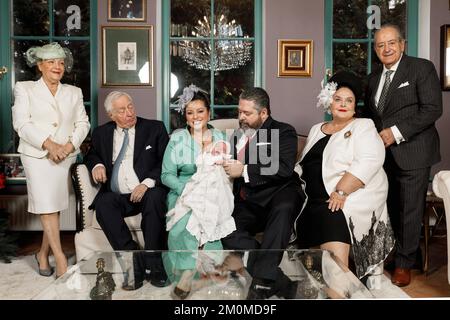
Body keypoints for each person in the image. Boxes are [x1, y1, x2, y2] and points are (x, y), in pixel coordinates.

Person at [296, 70, 395, 283]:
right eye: (338, 99)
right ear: (328, 102)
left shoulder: (363, 126)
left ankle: (339, 289)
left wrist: (341, 191)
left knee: (333, 267)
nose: (343, 104)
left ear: (354, 105)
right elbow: (303, 165)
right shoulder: (316, 129)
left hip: (339, 200)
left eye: (349, 100)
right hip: (310, 199)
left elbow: (370, 160)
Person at [363, 24, 443, 287]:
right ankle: (402, 253)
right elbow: (372, 116)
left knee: (410, 208)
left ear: (402, 44)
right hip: (383, 155)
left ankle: (404, 264)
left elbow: (432, 109)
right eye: (380, 45)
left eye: (391, 43)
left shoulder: (421, 68)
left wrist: (395, 132)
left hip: (414, 150)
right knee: (392, 207)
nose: (386, 49)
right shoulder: (374, 77)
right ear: (375, 49)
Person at [12, 42, 90, 278]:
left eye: (61, 62)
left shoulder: (74, 92)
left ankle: (42, 253)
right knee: (47, 206)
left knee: (53, 208)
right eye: (51, 62)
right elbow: (21, 124)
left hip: (65, 156)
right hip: (37, 156)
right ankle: (60, 259)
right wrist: (50, 144)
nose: (58, 67)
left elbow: (83, 123)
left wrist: (68, 146)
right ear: (40, 65)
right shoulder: (24, 88)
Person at [221, 87, 305, 299]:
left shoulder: (284, 131)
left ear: (264, 113)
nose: (241, 117)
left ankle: (260, 288)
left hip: (280, 193)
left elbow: (284, 168)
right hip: (248, 200)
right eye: (239, 112)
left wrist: (245, 170)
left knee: (284, 208)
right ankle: (279, 282)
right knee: (223, 229)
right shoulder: (238, 135)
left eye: (247, 113)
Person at [84, 91, 169, 290]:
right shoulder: (101, 133)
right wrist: (97, 165)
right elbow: (91, 155)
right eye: (122, 110)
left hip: (146, 191)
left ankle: (155, 265)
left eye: (130, 106)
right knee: (103, 204)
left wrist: (146, 183)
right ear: (111, 115)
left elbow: (165, 161)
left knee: (156, 197)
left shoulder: (154, 128)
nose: (129, 113)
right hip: (117, 195)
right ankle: (133, 263)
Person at [161, 84, 236, 300]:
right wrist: (186, 189)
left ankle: (210, 269)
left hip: (214, 190)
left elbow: (227, 165)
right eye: (190, 112)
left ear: (208, 112)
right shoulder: (177, 138)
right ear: (185, 116)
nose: (196, 116)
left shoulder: (220, 135)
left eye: (200, 111)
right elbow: (166, 174)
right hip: (184, 189)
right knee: (184, 222)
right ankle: (186, 273)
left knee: (212, 219)